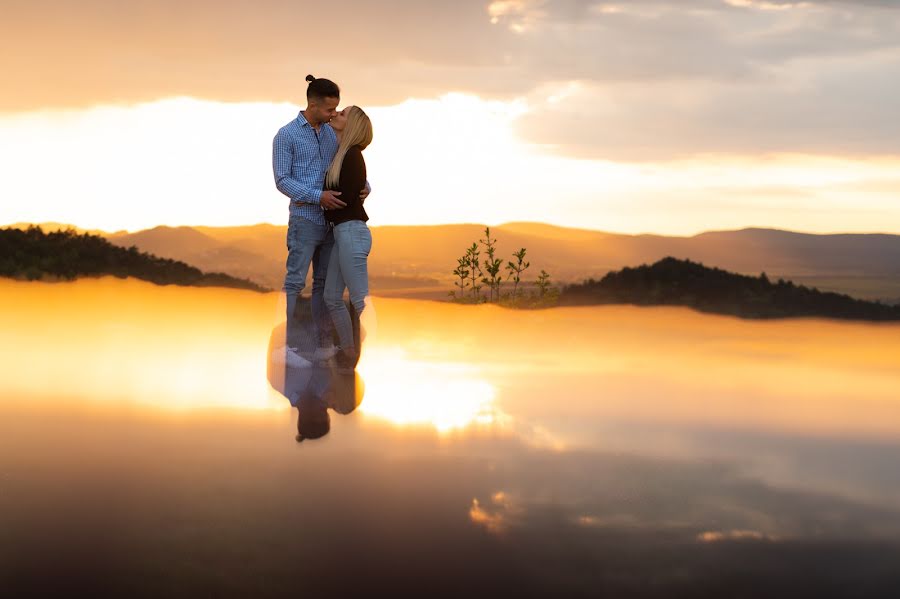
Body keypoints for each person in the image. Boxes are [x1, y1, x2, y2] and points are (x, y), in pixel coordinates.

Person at [272, 75, 369, 354]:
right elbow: (282, 180)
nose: (333, 115)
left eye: (336, 109)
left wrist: (364, 187)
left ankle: (321, 344)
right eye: (329, 109)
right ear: (312, 104)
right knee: (294, 282)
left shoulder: (331, 133)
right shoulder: (286, 135)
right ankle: (288, 344)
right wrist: (318, 196)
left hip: (332, 224)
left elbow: (347, 165)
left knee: (324, 287)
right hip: (305, 220)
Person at [322, 106, 374, 368]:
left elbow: (346, 197)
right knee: (332, 297)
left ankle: (373, 352)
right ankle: (348, 352)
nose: (337, 114)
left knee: (359, 299)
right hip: (343, 233)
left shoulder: (352, 156)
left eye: (342, 114)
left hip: (352, 232)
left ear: (351, 125)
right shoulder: (341, 155)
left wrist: (321, 200)